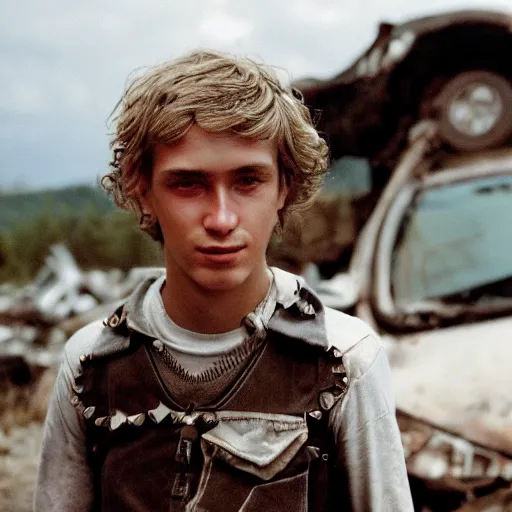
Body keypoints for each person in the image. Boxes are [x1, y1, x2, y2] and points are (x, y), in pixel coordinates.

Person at [34, 50, 414, 511]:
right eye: (187, 184)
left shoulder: (343, 360)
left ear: (285, 188)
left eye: (248, 180)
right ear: (141, 188)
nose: (221, 218)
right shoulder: (92, 365)